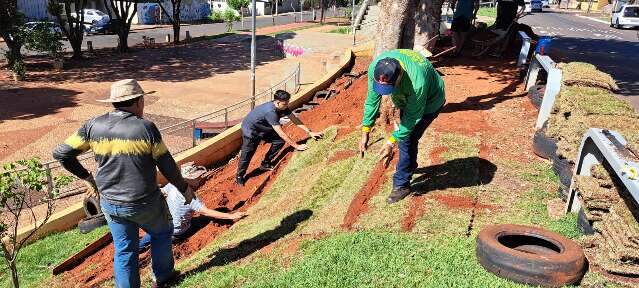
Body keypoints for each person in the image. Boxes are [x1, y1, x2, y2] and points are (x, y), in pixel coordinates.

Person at [53, 79, 194, 288]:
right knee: (162, 232)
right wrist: (184, 189)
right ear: (138, 101)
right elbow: (167, 165)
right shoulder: (146, 128)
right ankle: (163, 278)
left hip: (111, 204)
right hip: (145, 202)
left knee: (125, 248)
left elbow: (61, 153)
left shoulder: (93, 125)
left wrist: (87, 177)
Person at [359, 49, 446, 204]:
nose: (386, 93)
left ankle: (401, 185)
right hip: (408, 98)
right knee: (409, 139)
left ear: (400, 75)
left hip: (430, 102)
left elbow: (411, 120)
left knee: (406, 139)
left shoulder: (416, 82)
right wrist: (366, 130)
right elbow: (372, 100)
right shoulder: (375, 67)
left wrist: (391, 142)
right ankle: (410, 166)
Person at [236, 90, 323, 186]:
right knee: (247, 154)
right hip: (251, 131)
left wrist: (310, 132)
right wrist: (296, 146)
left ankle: (265, 163)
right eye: (285, 104)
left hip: (264, 127)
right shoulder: (271, 112)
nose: (287, 105)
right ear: (277, 102)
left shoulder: (282, 107)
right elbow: (281, 133)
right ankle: (240, 176)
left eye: (287, 103)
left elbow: (294, 119)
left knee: (279, 141)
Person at [139, 184, 246, 250]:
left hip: (163, 224)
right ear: (192, 179)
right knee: (204, 219)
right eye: (198, 177)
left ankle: (139, 247)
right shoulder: (191, 198)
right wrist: (231, 216)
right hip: (177, 232)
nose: (200, 179)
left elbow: (161, 191)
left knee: (154, 230)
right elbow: (207, 212)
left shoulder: (173, 185)